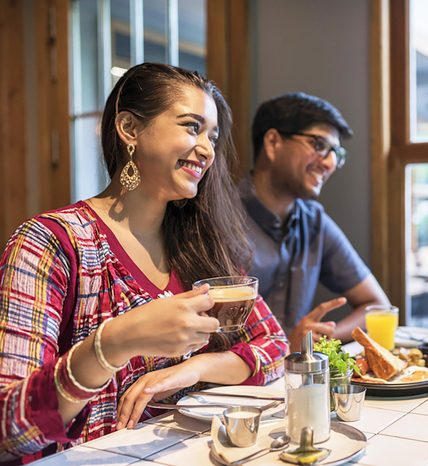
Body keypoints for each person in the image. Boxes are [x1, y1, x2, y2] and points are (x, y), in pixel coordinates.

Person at [0, 63, 287, 464]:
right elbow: (9, 429)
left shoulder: (199, 244)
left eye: (213, 136)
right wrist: (114, 342)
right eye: (191, 127)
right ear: (129, 129)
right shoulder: (52, 243)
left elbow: (275, 347)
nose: (207, 149)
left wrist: (194, 368)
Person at [241, 92, 390, 351]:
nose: (330, 163)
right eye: (319, 144)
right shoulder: (218, 216)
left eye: (336, 153)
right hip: (229, 385)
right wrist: (288, 346)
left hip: (296, 382)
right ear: (273, 142)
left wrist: (318, 339)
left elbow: (378, 307)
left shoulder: (313, 221)